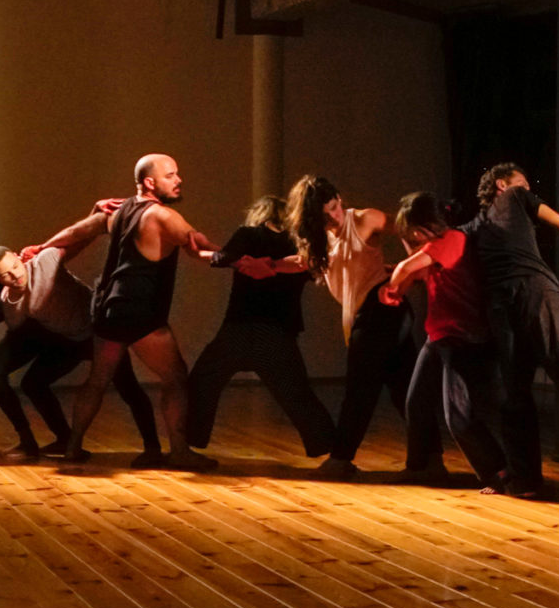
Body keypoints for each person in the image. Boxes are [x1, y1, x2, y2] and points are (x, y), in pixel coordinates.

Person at [32, 154, 217, 470]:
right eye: (171, 175)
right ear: (150, 182)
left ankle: (74, 447)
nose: (178, 180)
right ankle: (180, 451)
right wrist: (238, 260)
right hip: (139, 314)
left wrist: (40, 248)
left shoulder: (116, 213)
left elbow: (75, 232)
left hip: (108, 311)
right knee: (175, 377)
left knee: (97, 381)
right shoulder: (163, 216)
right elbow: (199, 247)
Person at [465, 163, 559, 500]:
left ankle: (525, 481)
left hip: (499, 306)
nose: (529, 188)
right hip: (537, 293)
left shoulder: (473, 227)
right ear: (503, 185)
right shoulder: (517, 197)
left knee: (514, 394)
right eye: (524, 183)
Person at [0, 245, 160, 460]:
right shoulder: (2, 299)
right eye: (6, 275)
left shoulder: (38, 265)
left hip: (94, 333)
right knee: (9, 377)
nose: (15, 275)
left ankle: (153, 449)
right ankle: (58, 440)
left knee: (128, 386)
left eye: (15, 268)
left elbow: (75, 240)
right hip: (59, 335)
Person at [185, 176, 343, 467]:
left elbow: (223, 258)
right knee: (298, 395)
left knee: (202, 384)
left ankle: (187, 444)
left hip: (238, 329)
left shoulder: (249, 234)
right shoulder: (300, 243)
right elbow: (317, 270)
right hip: (277, 333)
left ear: (259, 215)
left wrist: (198, 250)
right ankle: (334, 453)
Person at [381, 192, 502, 489]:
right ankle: (421, 466)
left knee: (458, 415)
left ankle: (499, 472)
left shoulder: (453, 240)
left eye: (413, 231)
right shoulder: (435, 248)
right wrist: (396, 289)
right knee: (417, 402)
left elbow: (404, 269)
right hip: (440, 336)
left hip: (460, 337)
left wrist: (393, 286)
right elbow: (414, 270)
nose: (412, 237)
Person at [321, 188, 439, 479]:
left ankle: (341, 458)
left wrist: (410, 268)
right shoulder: (319, 236)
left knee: (361, 387)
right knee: (404, 389)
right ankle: (432, 461)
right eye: (325, 213)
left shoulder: (364, 218)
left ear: (340, 199)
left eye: (335, 207)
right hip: (369, 311)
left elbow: (409, 230)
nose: (333, 216)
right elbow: (302, 261)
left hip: (382, 309)